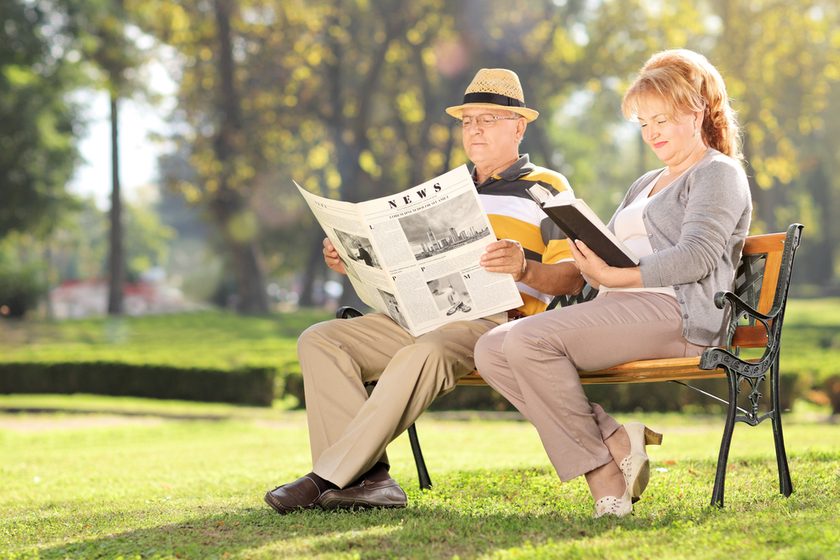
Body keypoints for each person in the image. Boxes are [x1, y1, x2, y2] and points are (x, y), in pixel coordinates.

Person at [264, 68, 585, 514]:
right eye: (467, 120)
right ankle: (369, 480)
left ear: (519, 125)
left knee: (426, 351)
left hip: (495, 324)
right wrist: (353, 259)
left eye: (487, 119)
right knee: (320, 340)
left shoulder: (547, 187)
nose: (473, 128)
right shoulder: (447, 189)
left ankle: (325, 477)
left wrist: (524, 266)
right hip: (419, 314)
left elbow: (575, 276)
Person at [474, 49, 752, 518]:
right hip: (620, 306)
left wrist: (615, 276)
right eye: (643, 124)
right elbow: (614, 248)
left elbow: (696, 258)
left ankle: (604, 477)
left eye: (661, 119)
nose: (652, 133)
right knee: (491, 350)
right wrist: (588, 255)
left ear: (697, 110)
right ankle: (617, 440)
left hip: (678, 313)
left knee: (525, 341)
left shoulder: (718, 173)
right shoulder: (646, 182)